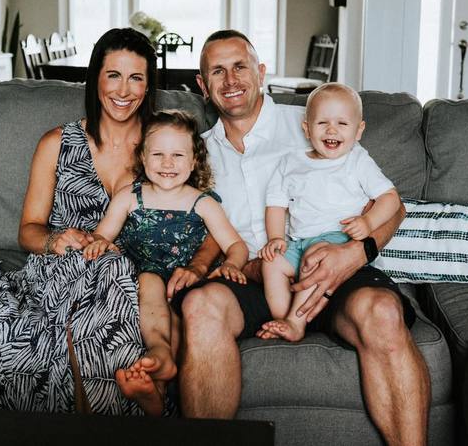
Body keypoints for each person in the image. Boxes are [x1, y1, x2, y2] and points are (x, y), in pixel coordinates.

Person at [178, 30, 431, 446]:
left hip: (335, 264)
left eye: (240, 66)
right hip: (252, 276)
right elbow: (198, 228)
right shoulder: (196, 153)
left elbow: (394, 206)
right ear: (203, 85)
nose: (231, 80)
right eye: (217, 71)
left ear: (261, 72)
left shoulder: (316, 120)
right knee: (200, 307)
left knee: (383, 313)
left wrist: (355, 254)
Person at [0, 28, 217, 416]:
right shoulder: (57, 143)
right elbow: (28, 230)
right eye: (113, 75)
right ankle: (127, 411)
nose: (123, 90)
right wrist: (54, 240)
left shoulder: (165, 147)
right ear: (95, 79)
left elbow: (202, 216)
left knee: (113, 267)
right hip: (63, 270)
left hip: (133, 278)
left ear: (148, 85)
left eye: (136, 77)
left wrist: (196, 266)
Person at [81, 109, 248, 415]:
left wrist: (232, 264)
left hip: (187, 282)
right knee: (151, 284)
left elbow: (236, 245)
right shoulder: (129, 197)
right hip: (144, 280)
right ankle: (159, 355)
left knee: (181, 318)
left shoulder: (203, 202)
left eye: (178, 155)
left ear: (194, 161)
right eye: (158, 154)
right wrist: (100, 243)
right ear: (143, 158)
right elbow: (102, 234)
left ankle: (159, 385)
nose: (167, 164)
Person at [257, 82, 401, 342]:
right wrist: (276, 238)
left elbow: (390, 198)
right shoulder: (291, 162)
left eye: (342, 124)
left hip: (337, 240)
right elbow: (276, 204)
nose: (331, 130)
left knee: (316, 256)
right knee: (271, 263)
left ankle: (296, 321)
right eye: (322, 123)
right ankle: (284, 317)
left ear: (359, 130)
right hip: (298, 242)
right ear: (306, 128)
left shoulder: (357, 160)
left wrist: (368, 222)